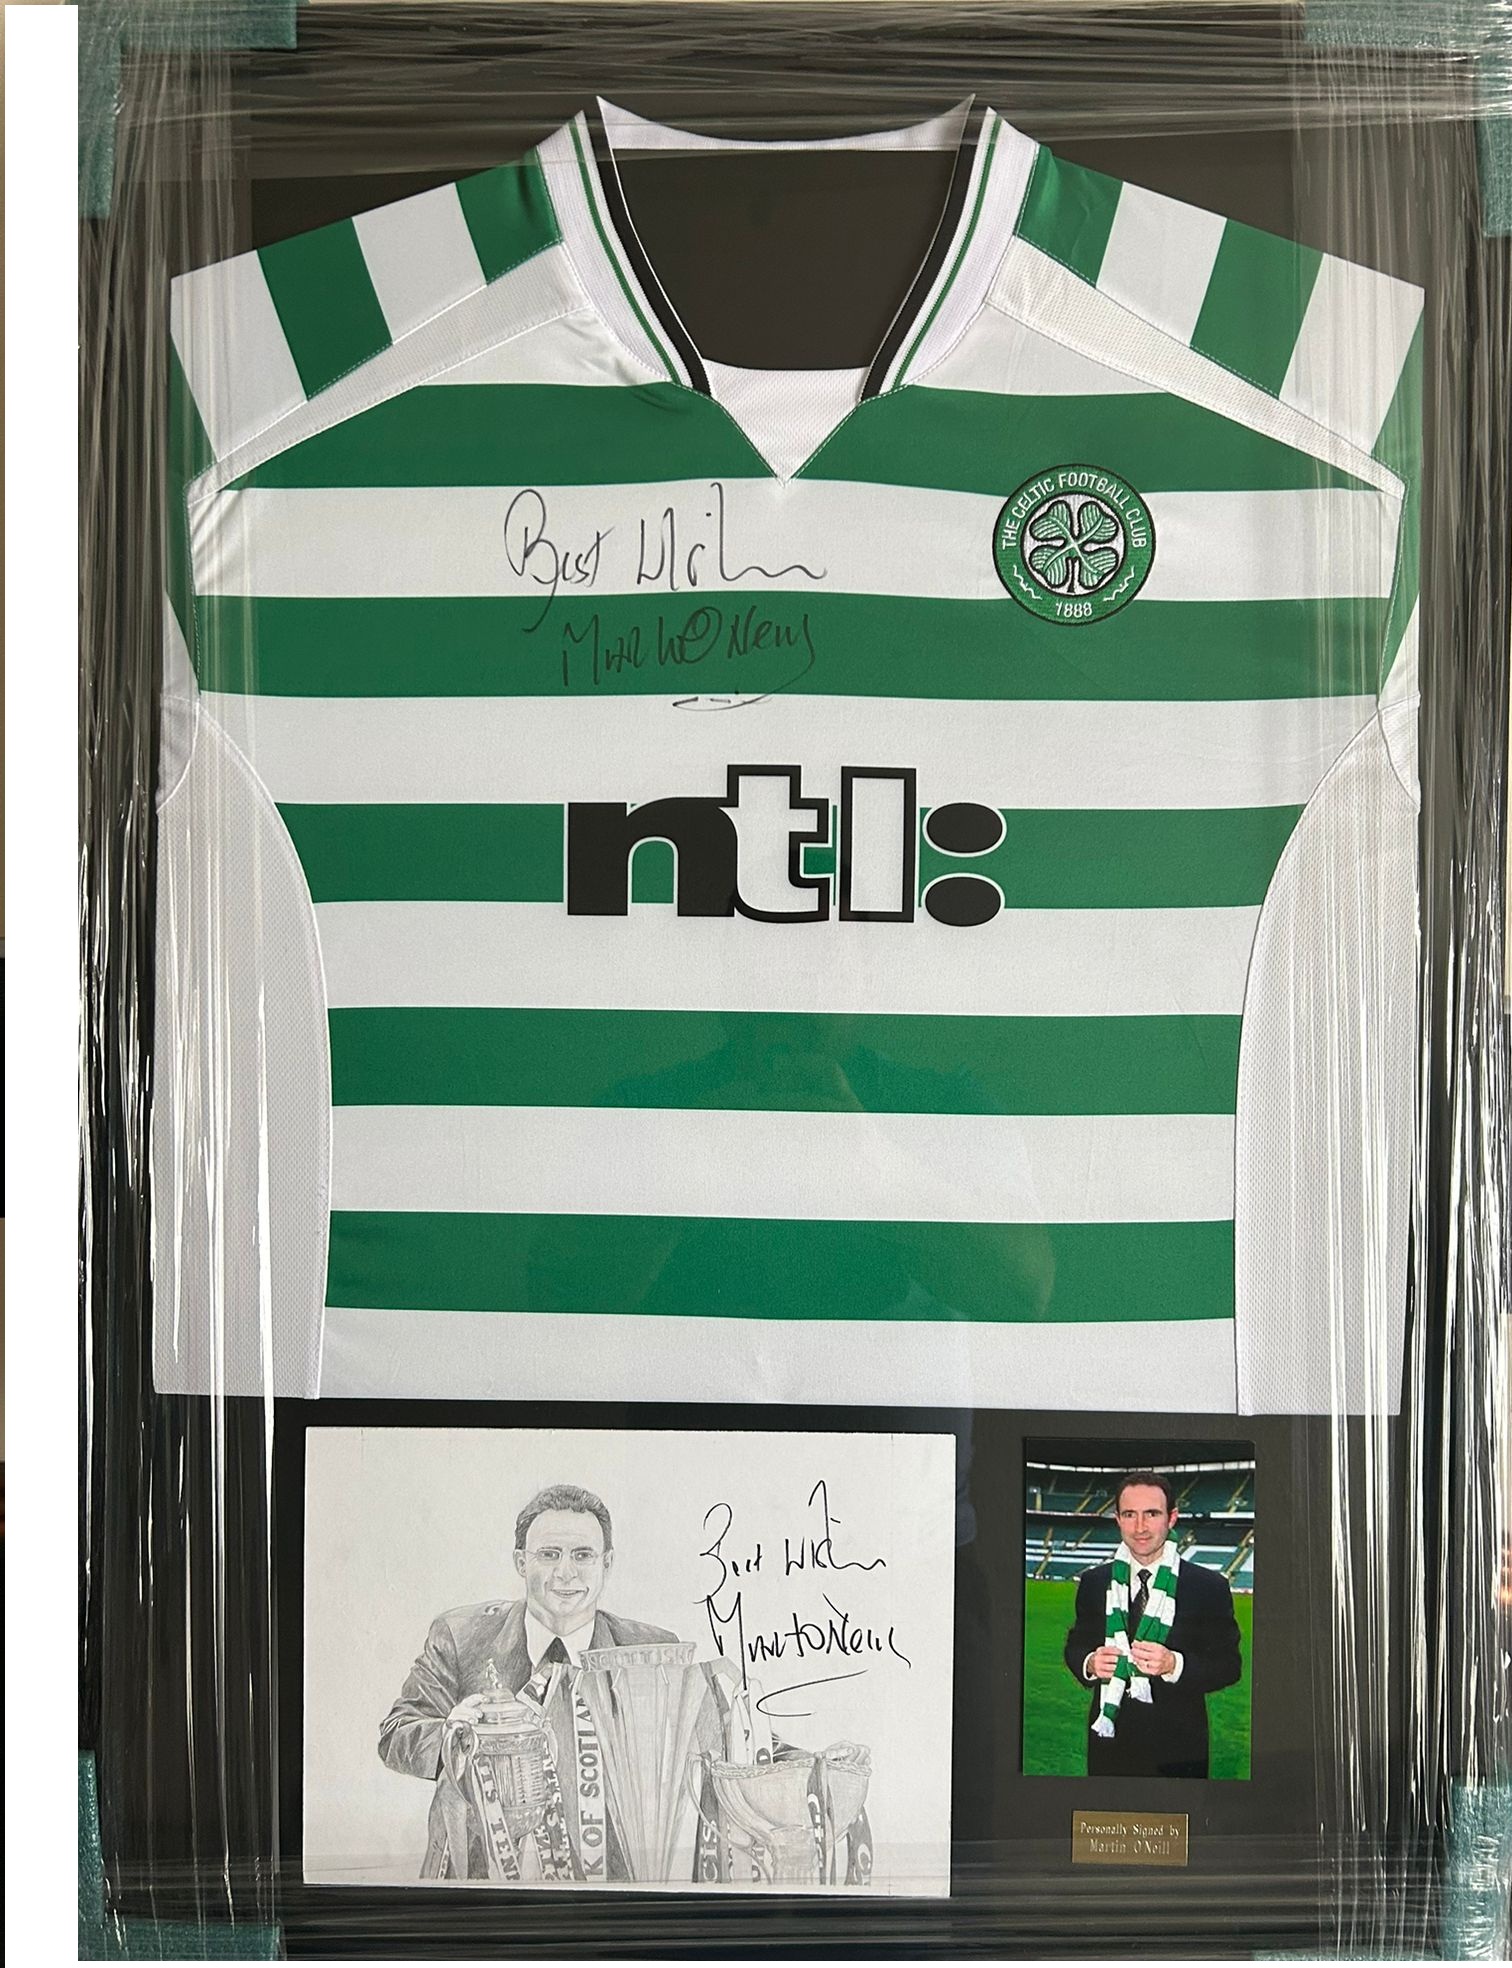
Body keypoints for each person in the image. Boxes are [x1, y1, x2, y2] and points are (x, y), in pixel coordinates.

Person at [379, 1482, 685, 1879]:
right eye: (549, 1554)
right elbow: (396, 1734)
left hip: (606, 1888)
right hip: (483, 1887)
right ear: (521, 1562)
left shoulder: (652, 1651)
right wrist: (457, 1738)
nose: (566, 1572)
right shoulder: (460, 1636)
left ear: (607, 1564)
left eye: (583, 1555)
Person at [1063, 1470, 1243, 1779]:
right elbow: (1076, 1644)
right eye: (1129, 1514)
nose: (1140, 1527)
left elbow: (1229, 1665)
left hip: (1179, 1748)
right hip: (1110, 1745)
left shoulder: (1208, 1586)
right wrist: (1090, 1662)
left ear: (1172, 1518)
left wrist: (1175, 1664)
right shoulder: (1095, 1582)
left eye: (1152, 1514)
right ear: (1117, 1519)